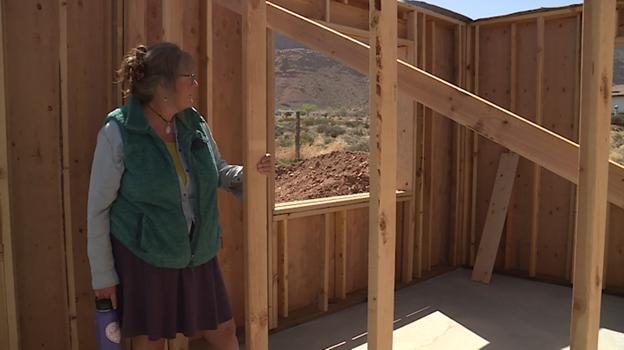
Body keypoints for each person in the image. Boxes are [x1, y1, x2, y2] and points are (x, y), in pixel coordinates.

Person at [87, 42, 273, 350]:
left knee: (224, 332)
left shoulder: (194, 123)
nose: (196, 84)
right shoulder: (118, 132)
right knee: (152, 341)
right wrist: (103, 276)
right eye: (190, 77)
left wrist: (249, 175)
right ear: (163, 86)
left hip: (197, 252)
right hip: (146, 254)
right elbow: (97, 209)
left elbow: (219, 172)